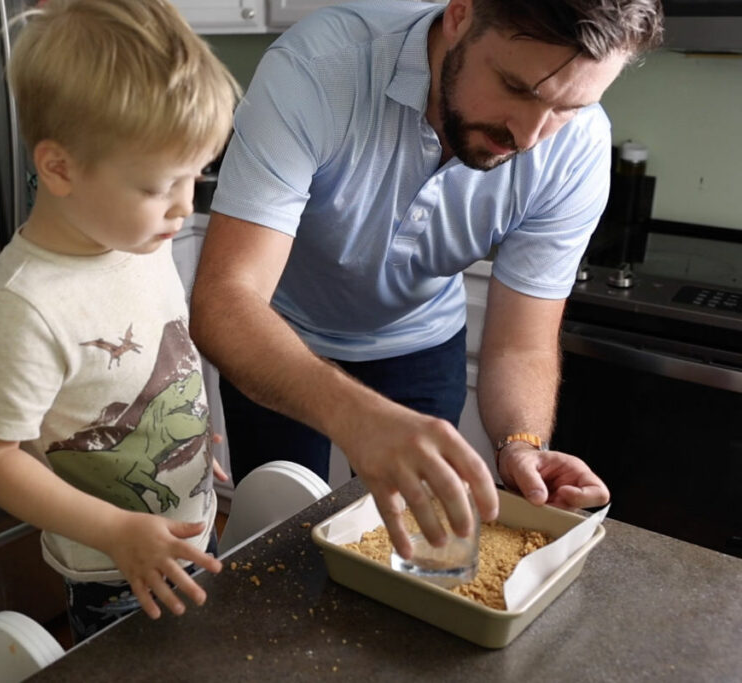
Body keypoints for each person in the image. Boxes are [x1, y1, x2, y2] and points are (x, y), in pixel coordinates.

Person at [189, 0, 663, 559]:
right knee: (280, 546)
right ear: (460, 14)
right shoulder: (317, 68)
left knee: (411, 552)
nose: (531, 135)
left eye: (569, 106)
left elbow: (520, 343)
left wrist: (521, 445)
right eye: (518, 88)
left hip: (421, 341)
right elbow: (227, 300)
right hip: (280, 336)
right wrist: (359, 417)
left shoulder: (575, 149)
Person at [0, 0, 238, 643]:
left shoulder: (143, 242)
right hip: (115, 573)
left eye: (196, 176)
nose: (184, 207)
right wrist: (116, 531)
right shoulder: (23, 308)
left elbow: (163, 360)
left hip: (189, 529)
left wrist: (192, 435)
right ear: (60, 168)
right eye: (159, 186)